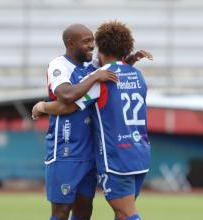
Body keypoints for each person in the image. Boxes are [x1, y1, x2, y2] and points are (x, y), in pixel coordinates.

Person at [33, 21, 150, 220]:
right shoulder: (59, 65)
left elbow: (110, 72)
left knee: (85, 207)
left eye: (93, 42)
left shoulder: (94, 68)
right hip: (66, 150)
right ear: (71, 43)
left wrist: (42, 107)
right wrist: (43, 106)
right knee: (61, 211)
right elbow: (66, 95)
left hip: (93, 152)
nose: (91, 46)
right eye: (86, 42)